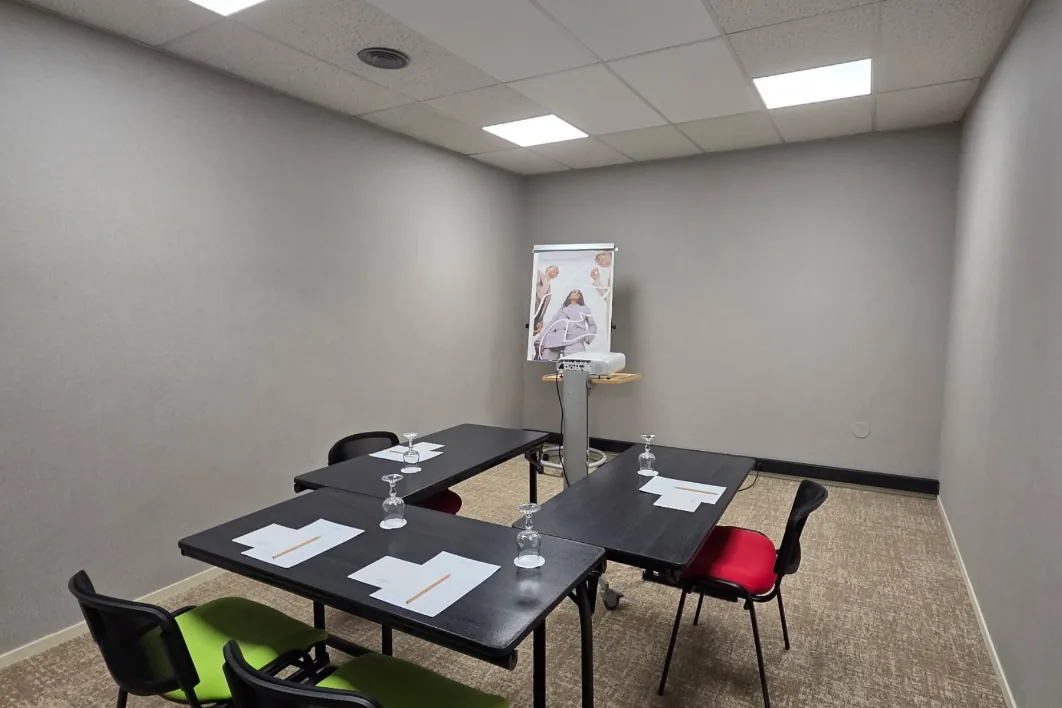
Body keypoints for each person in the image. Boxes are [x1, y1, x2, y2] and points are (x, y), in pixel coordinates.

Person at [535, 289, 597, 361]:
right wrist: (539, 341)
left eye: (578, 293)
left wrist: (587, 337)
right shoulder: (562, 310)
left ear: (580, 297)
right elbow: (551, 324)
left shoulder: (584, 309)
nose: (576, 293)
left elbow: (592, 325)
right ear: (569, 296)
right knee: (546, 366)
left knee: (574, 365)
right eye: (574, 292)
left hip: (575, 339)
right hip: (554, 339)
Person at [532, 265, 559, 333]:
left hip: (535, 318)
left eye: (557, 272)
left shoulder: (549, 292)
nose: (556, 271)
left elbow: (543, 309)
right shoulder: (537, 273)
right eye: (554, 269)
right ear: (547, 269)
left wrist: (540, 322)